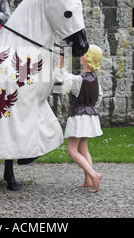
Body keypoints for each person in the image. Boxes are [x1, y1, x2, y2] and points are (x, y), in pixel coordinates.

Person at [55, 45, 103, 192]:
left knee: (71, 150)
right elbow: (99, 97)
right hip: (90, 116)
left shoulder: (79, 80)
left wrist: (62, 56)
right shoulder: (95, 80)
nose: (80, 56)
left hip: (79, 116)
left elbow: (59, 76)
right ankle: (88, 181)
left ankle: (94, 175)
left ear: (85, 59)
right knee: (83, 149)